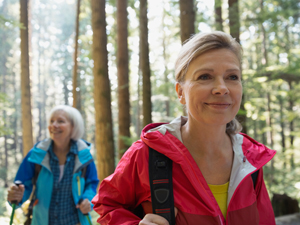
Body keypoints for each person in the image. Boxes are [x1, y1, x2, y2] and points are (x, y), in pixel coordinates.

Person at [92, 31, 276, 225]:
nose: (222, 88)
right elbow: (107, 206)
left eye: (232, 77)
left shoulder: (250, 159)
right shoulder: (147, 154)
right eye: (205, 76)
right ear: (180, 92)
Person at [7, 105, 99, 225]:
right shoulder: (37, 154)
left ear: (73, 126)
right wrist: (16, 196)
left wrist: (88, 200)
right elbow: (22, 186)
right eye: (51, 121)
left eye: (60, 121)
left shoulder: (84, 155)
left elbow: (91, 184)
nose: (54, 125)